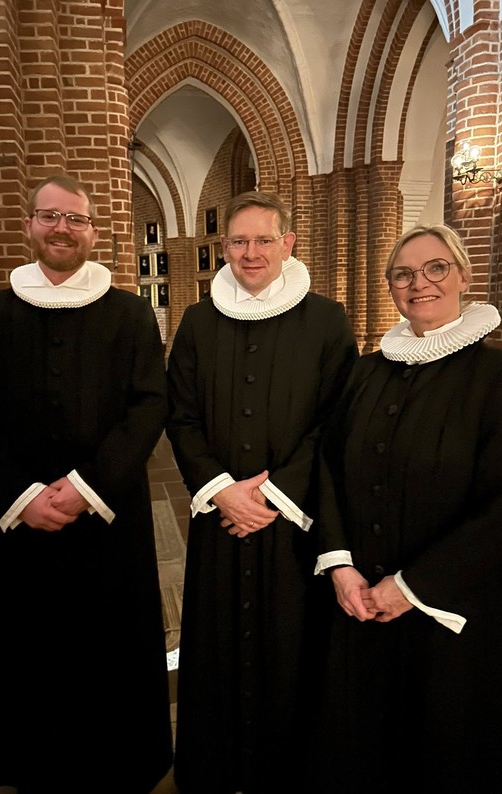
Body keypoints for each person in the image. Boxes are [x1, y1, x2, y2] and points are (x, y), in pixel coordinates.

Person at [0, 174, 173, 793]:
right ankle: (34, 764)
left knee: (112, 646)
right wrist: (23, 496)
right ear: (29, 226)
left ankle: (120, 761)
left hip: (108, 518)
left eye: (75, 219)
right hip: (24, 521)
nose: (61, 228)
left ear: (94, 233)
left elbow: (147, 406)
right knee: (30, 650)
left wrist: (88, 489)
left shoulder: (130, 313)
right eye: (49, 217)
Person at [166, 191, 358, 794]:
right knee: (217, 648)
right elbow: (180, 415)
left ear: (288, 244)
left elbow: (336, 420)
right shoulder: (197, 320)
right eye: (239, 242)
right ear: (224, 248)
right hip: (219, 517)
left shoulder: (327, 319)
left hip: (290, 523)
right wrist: (222, 491)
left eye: (264, 240)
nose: (251, 253)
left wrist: (274, 498)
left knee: (291, 644)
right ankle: (215, 767)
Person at [314, 224, 502, 792]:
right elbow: (327, 468)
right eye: (403, 274)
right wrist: (338, 563)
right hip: (361, 603)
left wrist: (413, 586)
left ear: (463, 276)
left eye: (435, 268)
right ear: (391, 288)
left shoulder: (501, 379)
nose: (419, 283)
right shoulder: (366, 371)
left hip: (452, 616)